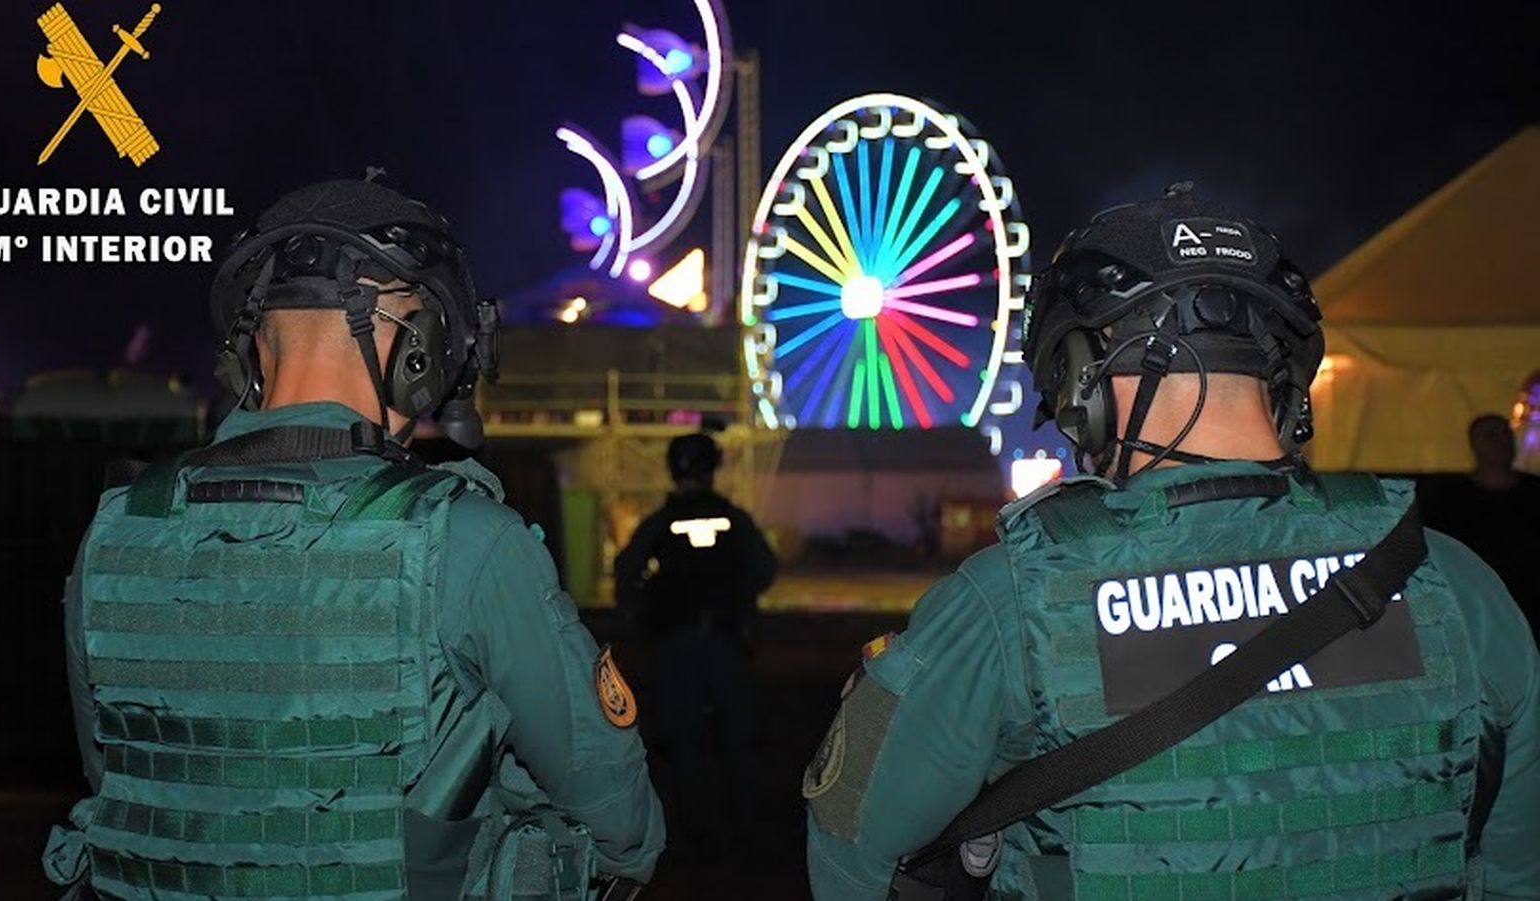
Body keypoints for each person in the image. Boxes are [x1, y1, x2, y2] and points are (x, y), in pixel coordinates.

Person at [803, 186, 1539, 900]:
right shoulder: (1452, 581)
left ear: (1085, 385)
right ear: (1286, 379)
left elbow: (849, 853)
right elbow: (1515, 871)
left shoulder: (1008, 602)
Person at [43, 179, 664, 899]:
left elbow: (121, 776)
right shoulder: (465, 541)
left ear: (249, 352)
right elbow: (622, 825)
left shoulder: (119, 529)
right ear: (423, 354)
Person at [614, 432, 776, 868]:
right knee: (738, 743)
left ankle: (694, 837)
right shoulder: (733, 520)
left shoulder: (661, 522)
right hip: (725, 643)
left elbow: (626, 569)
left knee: (683, 744)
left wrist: (642, 606)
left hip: (676, 647)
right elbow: (764, 569)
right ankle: (745, 835)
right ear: (712, 468)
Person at [1421, 414, 1540, 639]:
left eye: (1504, 435)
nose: (1499, 442)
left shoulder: (1534, 494)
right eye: (1490, 436)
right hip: (1478, 613)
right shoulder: (1448, 499)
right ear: (1473, 445)